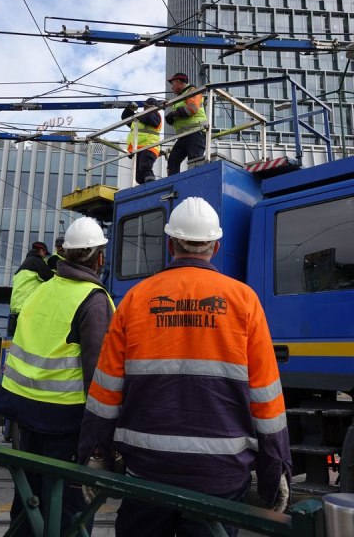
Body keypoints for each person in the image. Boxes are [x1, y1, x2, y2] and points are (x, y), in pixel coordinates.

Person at [77, 197, 292, 537]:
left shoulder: (135, 299)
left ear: (170, 244)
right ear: (215, 247)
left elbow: (105, 392)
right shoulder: (244, 301)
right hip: (220, 477)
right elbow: (266, 398)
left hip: (147, 475)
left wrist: (94, 453)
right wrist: (276, 467)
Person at [0, 216, 115, 536]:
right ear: (99, 259)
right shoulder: (94, 301)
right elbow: (99, 378)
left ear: (64, 253)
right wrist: (102, 439)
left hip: (24, 416)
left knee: (28, 504)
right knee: (69, 514)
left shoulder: (41, 291)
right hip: (66, 424)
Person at [165, 72, 208, 175]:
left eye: (173, 84)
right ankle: (173, 183)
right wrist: (172, 118)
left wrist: (174, 114)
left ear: (178, 82)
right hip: (184, 135)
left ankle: (195, 181)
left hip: (196, 132)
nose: (172, 87)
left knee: (194, 160)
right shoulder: (180, 97)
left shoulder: (192, 91)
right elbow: (182, 117)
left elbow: (192, 109)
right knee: (173, 161)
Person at [121, 98, 162, 184]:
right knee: (138, 176)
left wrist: (138, 115)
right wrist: (129, 109)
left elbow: (152, 120)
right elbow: (125, 118)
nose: (144, 107)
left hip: (149, 147)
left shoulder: (155, 115)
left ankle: (151, 185)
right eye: (145, 106)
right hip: (138, 149)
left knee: (145, 166)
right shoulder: (139, 118)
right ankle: (145, 187)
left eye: (147, 106)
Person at [9, 241, 54, 315]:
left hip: (15, 307)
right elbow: (50, 278)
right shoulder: (37, 261)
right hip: (27, 306)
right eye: (45, 254)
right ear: (42, 251)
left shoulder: (24, 264)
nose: (45, 257)